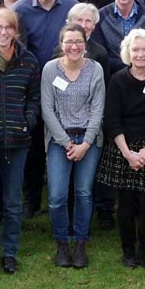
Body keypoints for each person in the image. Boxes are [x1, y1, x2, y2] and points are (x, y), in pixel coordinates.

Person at [100, 29, 145, 269]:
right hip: (124, 148)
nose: (140, 54)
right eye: (135, 49)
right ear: (128, 52)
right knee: (126, 205)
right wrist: (128, 153)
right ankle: (128, 251)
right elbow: (112, 120)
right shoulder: (118, 80)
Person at [41, 24, 107, 268]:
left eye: (78, 41)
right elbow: (47, 109)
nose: (74, 46)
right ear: (61, 44)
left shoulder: (95, 69)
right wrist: (66, 142)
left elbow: (98, 109)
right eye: (68, 41)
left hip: (89, 140)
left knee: (83, 193)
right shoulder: (50, 69)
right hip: (60, 141)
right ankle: (62, 242)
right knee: (57, 196)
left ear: (85, 43)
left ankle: (80, 242)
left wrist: (86, 143)